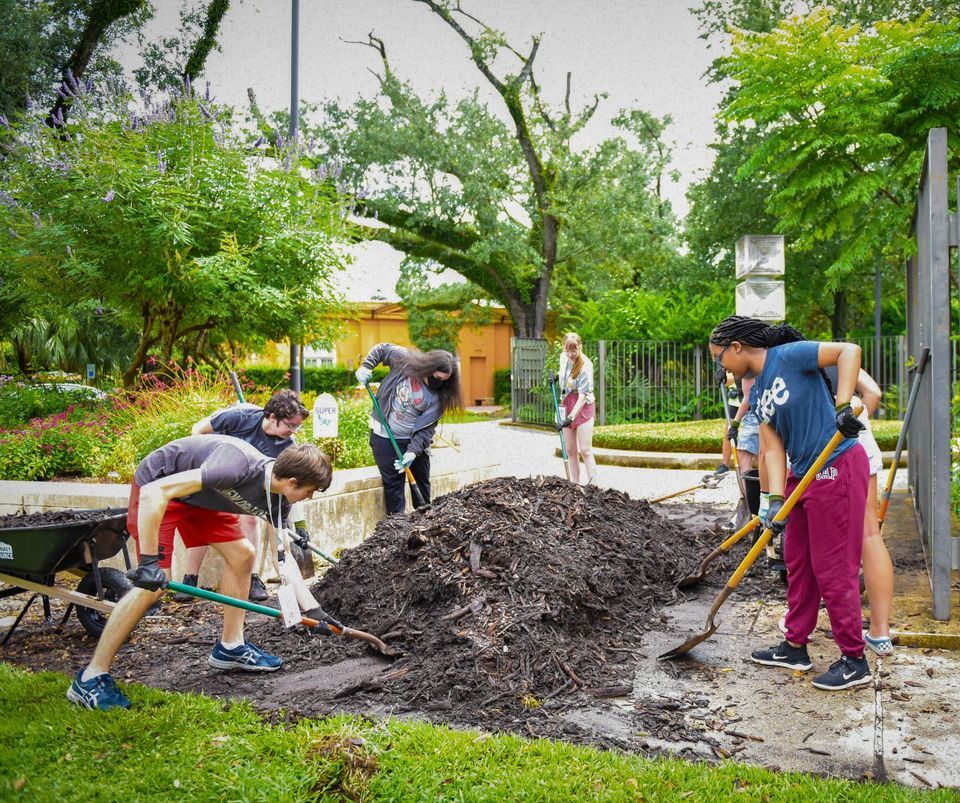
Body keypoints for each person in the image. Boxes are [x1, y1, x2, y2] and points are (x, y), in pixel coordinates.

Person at [66, 437, 334, 710]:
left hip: (207, 500)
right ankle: (91, 677)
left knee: (243, 556)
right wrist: (147, 561)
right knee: (153, 587)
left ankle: (231, 647)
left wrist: (312, 609)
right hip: (162, 489)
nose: (309, 498)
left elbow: (284, 557)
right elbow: (154, 493)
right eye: (310, 491)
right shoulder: (235, 466)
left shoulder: (278, 502)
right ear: (291, 482)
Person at [709, 315, 871, 692]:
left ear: (736, 347)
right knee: (798, 562)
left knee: (833, 567)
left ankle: (854, 659)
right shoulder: (759, 390)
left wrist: (844, 406)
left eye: (720, 357)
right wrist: (774, 502)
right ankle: (795, 645)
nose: (722, 366)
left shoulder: (789, 355)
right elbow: (774, 447)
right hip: (802, 474)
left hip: (836, 465)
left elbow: (849, 351)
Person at [174, 389, 310, 602]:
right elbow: (197, 431)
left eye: (297, 426)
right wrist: (208, 470)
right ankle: (190, 578)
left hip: (249, 485)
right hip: (218, 471)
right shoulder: (240, 417)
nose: (293, 431)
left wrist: (300, 524)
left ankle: (252, 577)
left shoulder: (288, 447)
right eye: (290, 425)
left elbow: (290, 490)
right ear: (272, 418)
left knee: (250, 517)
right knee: (204, 511)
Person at [355, 343, 461, 514]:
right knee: (393, 487)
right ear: (429, 368)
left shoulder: (438, 398)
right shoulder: (406, 361)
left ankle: (425, 525)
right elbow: (382, 349)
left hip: (414, 442)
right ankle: (397, 529)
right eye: (438, 378)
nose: (439, 383)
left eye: (444, 381)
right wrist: (367, 366)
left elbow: (426, 430)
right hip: (385, 439)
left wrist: (412, 452)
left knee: (422, 488)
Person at [556, 332, 597, 485]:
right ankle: (575, 486)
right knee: (571, 451)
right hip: (566, 404)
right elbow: (564, 376)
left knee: (585, 450)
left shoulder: (586, 366)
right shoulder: (563, 357)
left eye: (574, 350)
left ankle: (594, 487)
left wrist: (570, 418)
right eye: (567, 350)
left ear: (580, 346)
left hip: (582, 407)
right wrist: (555, 377)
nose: (570, 354)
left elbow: (583, 396)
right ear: (563, 348)